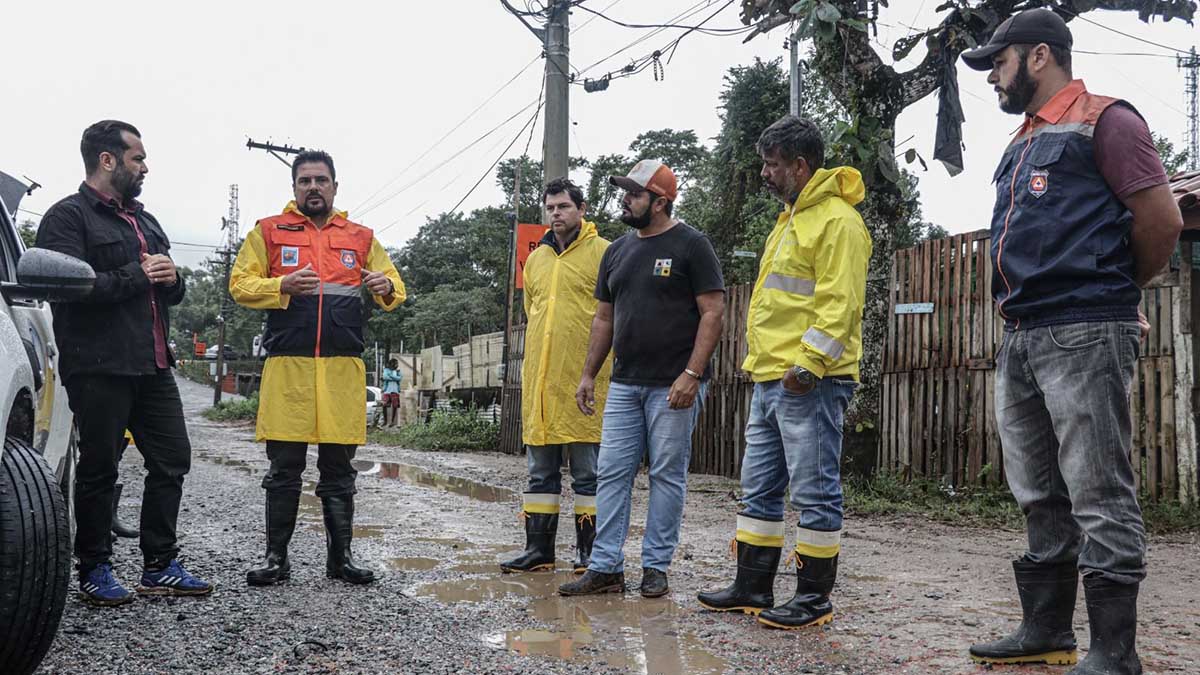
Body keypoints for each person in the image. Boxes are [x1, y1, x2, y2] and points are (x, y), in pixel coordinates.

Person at [959, 10, 1183, 672]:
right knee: (1038, 488)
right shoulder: (1023, 140)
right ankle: (1046, 628)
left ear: (1037, 58)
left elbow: (1162, 220)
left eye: (998, 63)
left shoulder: (1107, 120)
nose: (993, 79)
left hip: (1085, 328)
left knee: (1097, 488)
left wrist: (1115, 292)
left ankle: (1115, 651)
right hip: (1022, 333)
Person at [696, 116, 871, 630]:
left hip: (807, 379)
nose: (766, 174)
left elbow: (841, 305)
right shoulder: (792, 218)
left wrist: (809, 366)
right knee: (759, 488)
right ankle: (752, 587)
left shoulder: (836, 221)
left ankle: (813, 600)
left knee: (814, 489)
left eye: (773, 165)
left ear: (800, 165)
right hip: (774, 375)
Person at [36, 120, 211, 605]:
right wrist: (138, 273)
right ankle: (94, 567)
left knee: (173, 460)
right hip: (98, 365)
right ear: (108, 160)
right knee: (99, 467)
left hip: (153, 364)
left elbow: (170, 291)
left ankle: (160, 565)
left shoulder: (145, 220)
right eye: (138, 158)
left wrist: (172, 279)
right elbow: (70, 289)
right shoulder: (67, 218)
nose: (145, 166)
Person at [229, 150, 406, 586]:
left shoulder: (361, 237)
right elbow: (239, 284)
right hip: (288, 367)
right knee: (284, 468)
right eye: (305, 180)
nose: (313, 187)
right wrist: (280, 285)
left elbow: (395, 287)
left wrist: (384, 286)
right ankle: (276, 558)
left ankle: (340, 559)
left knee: (340, 469)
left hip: (342, 371)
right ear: (294, 188)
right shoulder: (268, 231)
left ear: (334, 186)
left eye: (321, 180)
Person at [559, 160, 725, 599]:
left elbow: (713, 312)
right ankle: (606, 567)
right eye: (625, 193)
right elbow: (604, 318)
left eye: (634, 193)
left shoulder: (692, 245)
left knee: (667, 475)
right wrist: (589, 375)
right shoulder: (617, 252)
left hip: (673, 385)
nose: (625, 200)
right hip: (626, 385)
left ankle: (656, 566)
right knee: (611, 473)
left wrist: (692, 374)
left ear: (660, 201)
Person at [499, 178, 611, 576]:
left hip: (585, 381)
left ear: (582, 209)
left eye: (563, 206)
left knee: (589, 473)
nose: (556, 214)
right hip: (542, 382)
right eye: (550, 208)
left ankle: (589, 553)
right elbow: (533, 312)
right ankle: (539, 551)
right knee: (539, 472)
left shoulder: (604, 253)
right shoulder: (536, 259)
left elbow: (613, 315)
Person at [380, 358, 402, 427]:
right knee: (384, 404)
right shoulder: (386, 370)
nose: (397, 365)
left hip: (395, 391)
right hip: (387, 391)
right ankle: (385, 421)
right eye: (395, 363)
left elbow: (400, 378)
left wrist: (391, 376)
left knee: (395, 406)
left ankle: (392, 422)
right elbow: (385, 377)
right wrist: (394, 377)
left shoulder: (398, 371)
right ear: (392, 364)